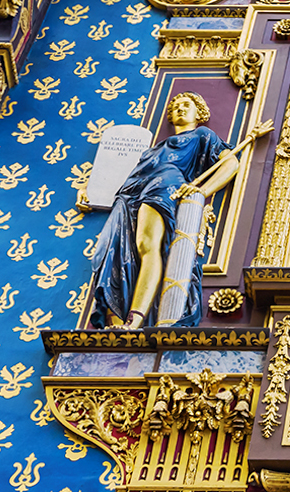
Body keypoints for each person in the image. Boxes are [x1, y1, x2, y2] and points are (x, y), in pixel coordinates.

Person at [87, 92, 271, 328]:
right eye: (176, 106)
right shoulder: (157, 147)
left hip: (164, 187)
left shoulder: (201, 135)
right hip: (130, 197)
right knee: (118, 253)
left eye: (187, 105)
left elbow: (231, 163)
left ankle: (135, 320)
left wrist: (201, 191)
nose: (181, 108)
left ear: (199, 113)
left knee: (147, 247)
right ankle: (122, 314)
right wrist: (91, 193)